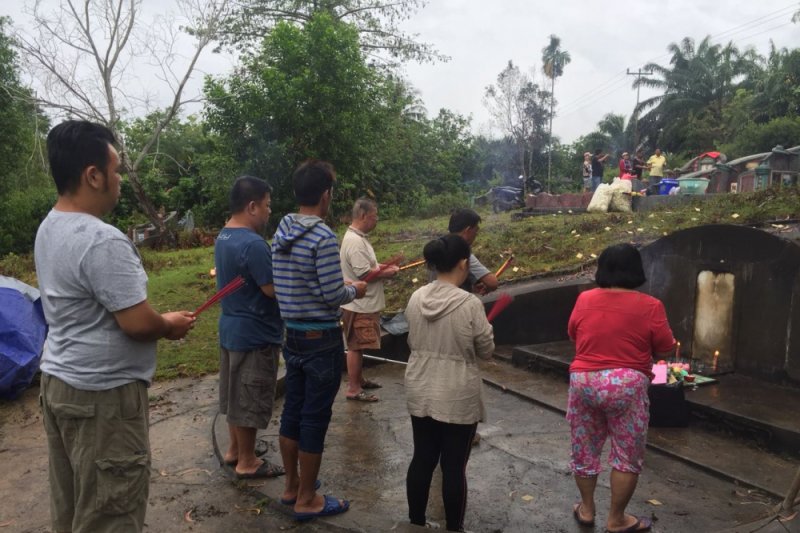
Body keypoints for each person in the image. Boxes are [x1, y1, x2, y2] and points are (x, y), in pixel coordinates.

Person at [35, 120, 196, 533]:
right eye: (117, 169)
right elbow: (138, 324)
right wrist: (169, 324)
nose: (120, 178)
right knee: (110, 513)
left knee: (72, 506)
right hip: (101, 398)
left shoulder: (50, 226)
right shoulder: (101, 240)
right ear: (93, 175)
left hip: (60, 382)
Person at [271, 159, 367, 521]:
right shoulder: (323, 237)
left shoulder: (280, 233)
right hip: (320, 340)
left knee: (292, 412)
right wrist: (353, 288)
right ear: (325, 195)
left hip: (291, 336)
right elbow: (331, 295)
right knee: (314, 418)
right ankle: (308, 498)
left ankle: (292, 486)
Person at [566, 244, 675, 533]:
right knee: (626, 454)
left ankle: (587, 509)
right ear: (636, 270)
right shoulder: (651, 305)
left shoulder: (584, 299)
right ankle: (616, 519)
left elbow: (573, 333)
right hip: (627, 385)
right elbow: (665, 348)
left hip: (584, 381)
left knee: (585, 449)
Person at [404, 234, 495, 532]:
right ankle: (454, 528)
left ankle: (416, 523)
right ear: (463, 263)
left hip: (420, 385)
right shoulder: (470, 304)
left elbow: (411, 339)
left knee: (423, 458)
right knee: (454, 466)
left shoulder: (417, 297)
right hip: (456, 391)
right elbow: (486, 350)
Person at [215, 176, 285, 479]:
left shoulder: (224, 236)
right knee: (250, 397)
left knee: (234, 394)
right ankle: (247, 461)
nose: (270, 212)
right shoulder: (254, 244)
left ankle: (234, 450)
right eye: (268, 206)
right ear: (252, 206)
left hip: (231, 327)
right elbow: (272, 289)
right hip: (255, 333)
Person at [340, 197, 399, 402]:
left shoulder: (359, 237)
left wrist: (383, 267)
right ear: (363, 215)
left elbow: (368, 266)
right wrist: (386, 273)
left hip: (363, 302)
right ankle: (354, 389)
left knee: (360, 344)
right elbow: (364, 275)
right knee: (356, 346)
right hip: (359, 304)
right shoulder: (355, 242)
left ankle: (359, 380)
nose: (376, 221)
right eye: (374, 217)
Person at [446, 208, 498, 295]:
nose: (476, 235)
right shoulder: (461, 251)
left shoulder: (436, 248)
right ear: (467, 231)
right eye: (476, 231)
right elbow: (492, 283)